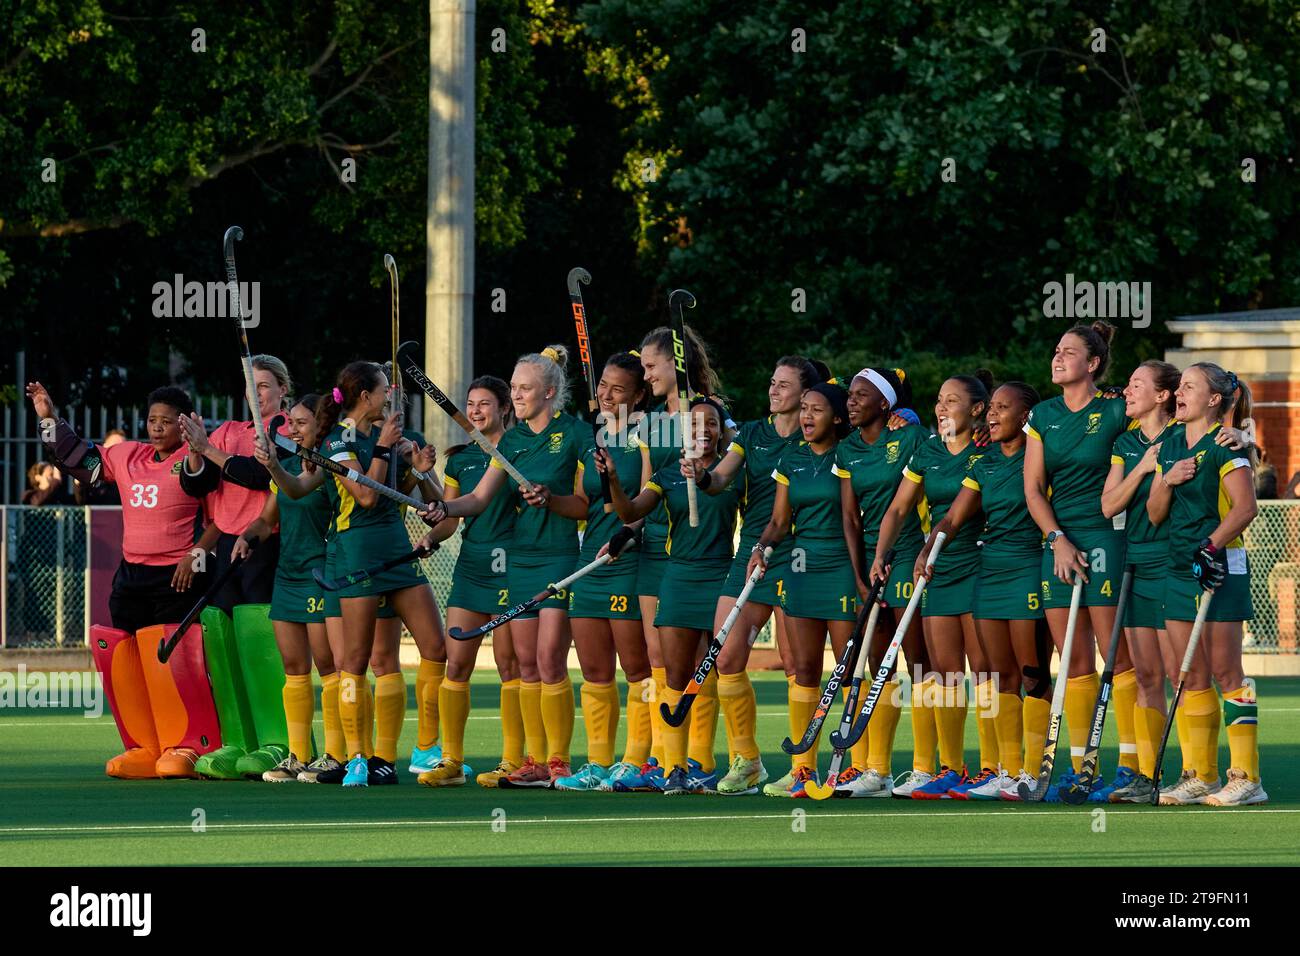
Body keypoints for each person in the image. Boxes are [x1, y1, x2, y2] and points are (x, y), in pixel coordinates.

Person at [28, 381, 218, 777]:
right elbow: (80, 458)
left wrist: (196, 554)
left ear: (183, 425)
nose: (157, 428)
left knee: (170, 659)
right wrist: (49, 418)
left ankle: (186, 745)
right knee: (127, 660)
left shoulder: (194, 459)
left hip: (178, 575)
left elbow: (215, 509)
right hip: (132, 575)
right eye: (152, 420)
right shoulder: (128, 455)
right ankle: (145, 746)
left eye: (167, 422)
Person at [424, 346, 589, 789]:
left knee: (549, 658)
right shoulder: (511, 442)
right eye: (513, 387)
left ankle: (559, 761)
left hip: (557, 557)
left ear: (549, 392)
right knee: (528, 666)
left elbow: (585, 505)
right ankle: (534, 761)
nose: (516, 395)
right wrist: (441, 507)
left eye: (524, 389)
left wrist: (551, 500)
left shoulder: (575, 434)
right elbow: (477, 499)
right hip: (520, 560)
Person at [679, 356, 820, 796]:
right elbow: (720, 478)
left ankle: (802, 767)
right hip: (752, 553)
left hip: (799, 554)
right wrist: (701, 476)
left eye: (784, 385)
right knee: (726, 655)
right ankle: (747, 760)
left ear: (805, 393)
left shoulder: (819, 435)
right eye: (772, 382)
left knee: (797, 664)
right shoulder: (750, 435)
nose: (773, 390)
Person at [311, 361, 446, 788]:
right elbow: (367, 496)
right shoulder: (338, 441)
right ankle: (357, 756)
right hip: (357, 551)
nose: (391, 396)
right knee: (356, 659)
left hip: (396, 548)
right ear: (365, 396)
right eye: (385, 389)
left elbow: (409, 498)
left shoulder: (396, 435)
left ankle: (426, 748)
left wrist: (419, 466)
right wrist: (386, 449)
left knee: (435, 648)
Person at [914, 381, 1049, 800]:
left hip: (1027, 566)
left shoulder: (1040, 457)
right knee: (1001, 675)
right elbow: (954, 517)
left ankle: (1033, 772)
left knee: (1032, 674)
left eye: (1002, 408)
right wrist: (930, 546)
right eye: (990, 407)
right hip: (989, 571)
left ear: (1025, 416)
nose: (992, 414)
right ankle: (1007, 772)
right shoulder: (983, 461)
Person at [611, 326, 730, 792]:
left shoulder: (713, 413)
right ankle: (665, 762)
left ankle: (701, 760)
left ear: (674, 364)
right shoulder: (650, 420)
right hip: (657, 547)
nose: (645, 374)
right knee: (660, 656)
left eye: (650, 366)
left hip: (702, 547)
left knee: (703, 658)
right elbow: (644, 490)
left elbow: (726, 473)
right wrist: (626, 528)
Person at [1022, 322, 1136, 800]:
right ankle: (1080, 769)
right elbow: (1033, 488)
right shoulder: (1042, 415)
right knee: (1072, 659)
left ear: (1092, 364)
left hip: (1106, 539)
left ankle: (1133, 766)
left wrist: (1233, 430)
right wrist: (1056, 540)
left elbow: (1169, 420)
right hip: (1058, 543)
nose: (1057, 358)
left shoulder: (1115, 408)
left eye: (1069, 352)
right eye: (1055, 351)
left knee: (1117, 657)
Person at [1147, 364, 1265, 807]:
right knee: (1189, 675)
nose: (1178, 394)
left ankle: (1247, 777)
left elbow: (1245, 507)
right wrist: (1167, 477)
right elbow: (1156, 513)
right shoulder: (1171, 443)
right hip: (1178, 567)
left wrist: (1210, 547)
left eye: (1189, 387)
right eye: (1178, 387)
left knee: (1226, 672)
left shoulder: (1226, 444)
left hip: (1219, 565)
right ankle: (1202, 776)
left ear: (1214, 400)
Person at [875, 372, 992, 798]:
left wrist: (926, 551)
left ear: (977, 410)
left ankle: (993, 768)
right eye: (939, 400)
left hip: (976, 563)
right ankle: (951, 767)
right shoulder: (927, 449)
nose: (941, 408)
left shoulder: (986, 449)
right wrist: (880, 555)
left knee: (983, 672)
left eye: (952, 401)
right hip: (939, 568)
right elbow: (898, 508)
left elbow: (955, 517)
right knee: (943, 674)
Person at [550, 352, 655, 792]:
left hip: (629, 560)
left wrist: (615, 482)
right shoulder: (595, 436)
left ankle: (636, 761)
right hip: (589, 562)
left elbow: (649, 503)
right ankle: (596, 763)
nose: (606, 396)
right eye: (602, 387)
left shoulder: (651, 433)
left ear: (639, 395)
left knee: (637, 670)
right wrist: (547, 498)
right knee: (593, 671)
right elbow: (582, 503)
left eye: (618, 389)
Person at [747, 382, 857, 797]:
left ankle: (857, 768)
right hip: (800, 566)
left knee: (848, 670)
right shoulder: (790, 459)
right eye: (805, 409)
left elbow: (852, 519)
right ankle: (802, 770)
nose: (807, 417)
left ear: (838, 418)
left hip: (843, 567)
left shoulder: (848, 455)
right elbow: (779, 521)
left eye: (817, 410)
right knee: (805, 669)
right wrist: (761, 547)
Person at [414, 375, 524, 788]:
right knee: (456, 662)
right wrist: (431, 534)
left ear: (504, 409)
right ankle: (451, 761)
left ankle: (513, 759)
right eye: (471, 404)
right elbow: (451, 517)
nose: (476, 411)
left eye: (485, 404)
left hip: (513, 567)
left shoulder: (519, 450)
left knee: (508, 663)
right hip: (472, 568)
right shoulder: (459, 459)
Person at [836, 367, 934, 797]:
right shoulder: (847, 449)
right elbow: (850, 518)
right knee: (879, 670)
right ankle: (876, 771)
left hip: (909, 557)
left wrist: (910, 416)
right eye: (849, 395)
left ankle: (926, 767)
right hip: (870, 568)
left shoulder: (909, 436)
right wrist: (860, 576)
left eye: (861, 395)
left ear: (885, 404)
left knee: (921, 665)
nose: (851, 402)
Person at [238, 393, 345, 783]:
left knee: (328, 665)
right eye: (291, 423)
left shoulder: (330, 465)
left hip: (322, 572)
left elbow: (297, 488)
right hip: (288, 573)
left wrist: (270, 466)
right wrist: (248, 536)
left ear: (320, 426)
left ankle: (335, 753)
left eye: (302, 422)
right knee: (294, 668)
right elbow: (268, 520)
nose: (293, 429)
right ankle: (299, 754)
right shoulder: (284, 464)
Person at [1098, 361, 1181, 803]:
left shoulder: (1184, 437)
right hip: (1135, 563)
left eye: (1137, 385)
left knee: (1176, 672)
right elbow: (1108, 505)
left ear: (1163, 395)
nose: (1127, 392)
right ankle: (1147, 775)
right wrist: (1142, 467)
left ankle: (1192, 773)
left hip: (1172, 563)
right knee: (1147, 673)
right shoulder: (1126, 442)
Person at [178, 354, 293, 612]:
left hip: (265, 544)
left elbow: (257, 475)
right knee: (226, 628)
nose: (255, 393)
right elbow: (198, 485)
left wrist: (207, 448)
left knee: (258, 630)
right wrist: (195, 452)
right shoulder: (229, 430)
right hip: (226, 544)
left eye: (263, 386)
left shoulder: (289, 430)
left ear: (282, 389)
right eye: (251, 386)